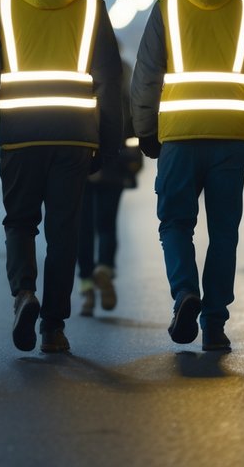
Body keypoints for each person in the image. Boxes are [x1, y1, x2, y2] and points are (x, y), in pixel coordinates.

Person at [0, 0, 121, 355]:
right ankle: (53, 326)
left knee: (20, 222)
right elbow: (109, 82)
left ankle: (24, 294)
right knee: (63, 230)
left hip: (19, 134)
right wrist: (108, 143)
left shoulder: (3, 7)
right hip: (74, 136)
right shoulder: (92, 8)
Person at [131, 0, 244, 352]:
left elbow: (145, 76)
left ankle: (184, 292)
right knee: (224, 233)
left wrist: (145, 130)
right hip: (231, 140)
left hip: (178, 136)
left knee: (175, 222)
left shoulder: (167, 7)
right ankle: (214, 322)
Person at [76, 50, 140, 317]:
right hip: (114, 161)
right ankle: (105, 268)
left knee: (83, 226)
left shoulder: (78, 72)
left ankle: (88, 286)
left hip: (81, 159)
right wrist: (134, 155)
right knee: (107, 224)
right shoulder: (122, 72)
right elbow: (134, 120)